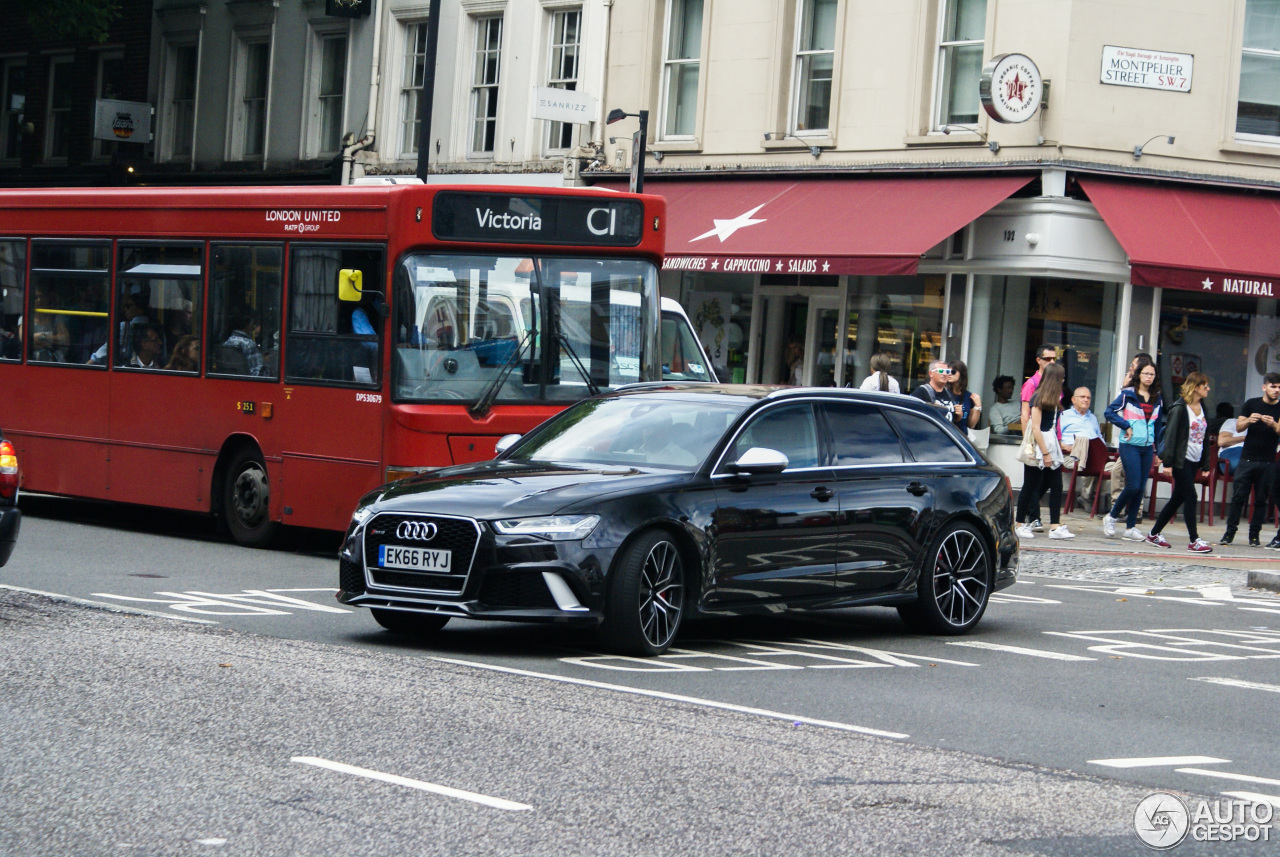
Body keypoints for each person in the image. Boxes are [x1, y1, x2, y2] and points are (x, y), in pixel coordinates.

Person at [1146, 372, 1213, 553]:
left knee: (1177, 499)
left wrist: (1205, 464)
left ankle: (1153, 533)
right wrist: (1167, 463)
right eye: (1205, 385)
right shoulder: (1179, 408)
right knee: (1191, 497)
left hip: (1194, 460)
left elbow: (1205, 438)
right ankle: (1194, 540)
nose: (1208, 389)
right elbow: (1171, 437)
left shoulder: (1203, 407)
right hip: (1179, 460)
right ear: (1196, 387)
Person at [1102, 357, 1164, 540]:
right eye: (1145, 373)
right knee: (1133, 484)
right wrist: (1125, 425)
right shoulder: (1128, 394)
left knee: (1140, 487)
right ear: (1139, 375)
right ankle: (1111, 517)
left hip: (1147, 447)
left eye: (1152, 374)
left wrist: (1158, 451)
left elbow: (1159, 425)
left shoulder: (1157, 398)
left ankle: (1130, 528)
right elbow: (1109, 412)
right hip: (1130, 444)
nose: (1149, 377)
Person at [1219, 372, 1280, 547]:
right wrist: (1249, 421)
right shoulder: (1251, 404)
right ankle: (1229, 533)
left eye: (1279, 388)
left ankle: (1255, 536)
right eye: (1273, 387)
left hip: (1268, 460)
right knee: (1238, 497)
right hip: (1247, 458)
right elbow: (1238, 426)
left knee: (1261, 500)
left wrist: (1273, 424)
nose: (1276, 391)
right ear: (1264, 387)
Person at [1016, 363, 1073, 540]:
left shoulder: (1052, 398)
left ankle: (1055, 526)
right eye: (1061, 377)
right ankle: (1019, 523)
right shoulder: (1038, 398)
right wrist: (1046, 452)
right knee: (1030, 484)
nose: (1063, 381)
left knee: (1056, 484)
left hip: (1048, 441)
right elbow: (1035, 427)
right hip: (1039, 443)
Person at [1059, 387, 1103, 505]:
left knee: (1116, 468)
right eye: (1082, 397)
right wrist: (1066, 447)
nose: (1086, 400)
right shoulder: (1064, 415)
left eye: (1088, 397)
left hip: (1092, 455)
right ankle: (1086, 496)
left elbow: (1100, 439)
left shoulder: (1093, 418)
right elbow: (1054, 438)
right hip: (1071, 455)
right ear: (1073, 399)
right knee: (1090, 463)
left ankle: (1113, 505)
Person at [911, 360, 962, 426]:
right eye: (940, 371)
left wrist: (959, 415)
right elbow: (912, 416)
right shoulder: (921, 392)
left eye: (947, 372)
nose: (944, 374)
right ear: (931, 374)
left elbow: (953, 418)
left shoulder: (949, 393)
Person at [1019, 344, 1058, 429]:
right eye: (1048, 359)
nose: (1052, 362)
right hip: (1036, 435)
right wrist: (1028, 441)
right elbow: (1025, 416)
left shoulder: (1055, 382)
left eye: (1054, 359)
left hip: (1052, 435)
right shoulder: (1031, 384)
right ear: (1038, 360)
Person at [947, 360, 982, 429]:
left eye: (953, 372)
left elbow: (971, 425)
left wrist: (978, 407)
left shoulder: (969, 396)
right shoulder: (944, 393)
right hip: (947, 433)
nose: (949, 374)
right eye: (947, 372)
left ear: (961, 374)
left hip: (961, 435)